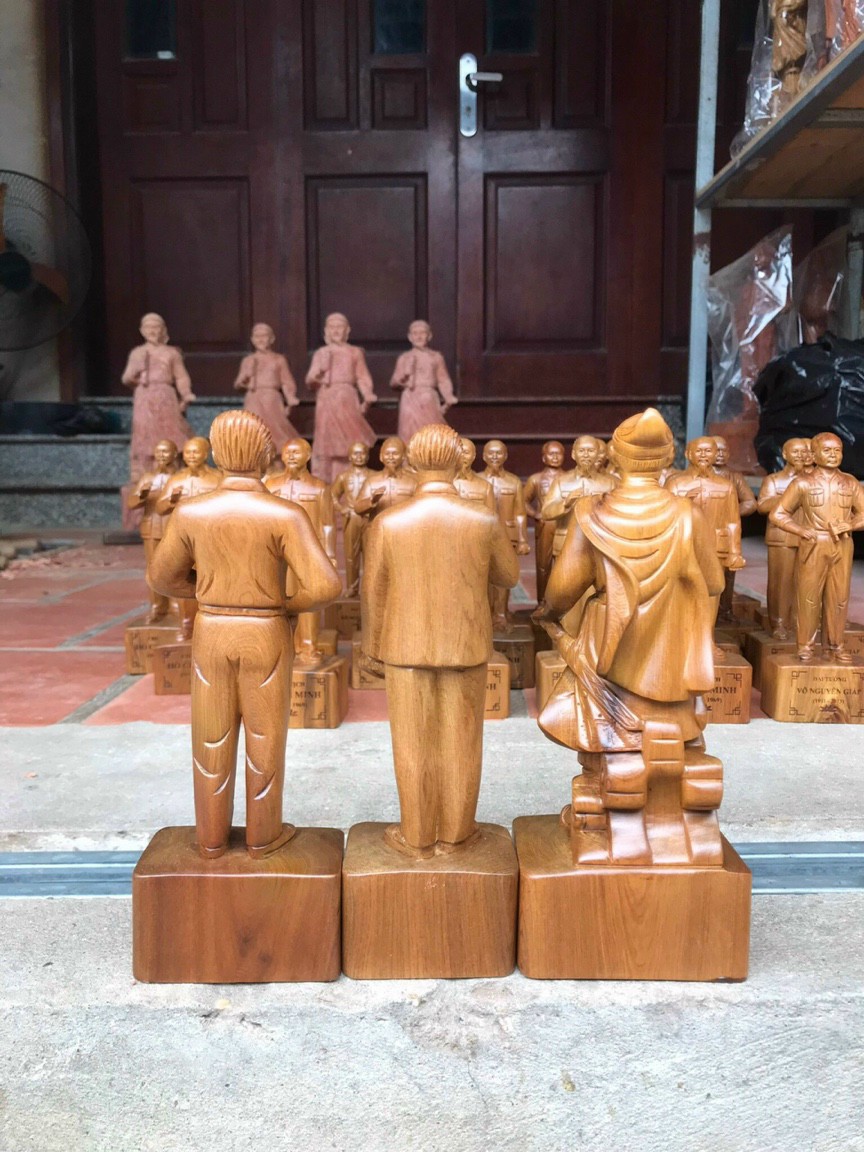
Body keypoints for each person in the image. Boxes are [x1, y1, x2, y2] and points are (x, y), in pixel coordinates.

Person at [534, 409, 725, 867]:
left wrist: (548, 615)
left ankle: (616, 817)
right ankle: (667, 824)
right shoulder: (687, 516)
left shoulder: (591, 514)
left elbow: (562, 591)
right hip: (671, 661)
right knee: (677, 741)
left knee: (607, 741)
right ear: (668, 459)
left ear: (614, 457)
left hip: (610, 660)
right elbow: (714, 583)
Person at [148, 410, 342, 859]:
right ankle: (263, 836)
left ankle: (211, 839)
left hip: (212, 628)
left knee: (210, 737)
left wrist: (205, 593)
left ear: (216, 453)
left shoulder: (192, 512)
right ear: (266, 455)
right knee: (264, 735)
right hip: (265, 630)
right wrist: (285, 605)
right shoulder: (284, 513)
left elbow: (161, 577)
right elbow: (325, 585)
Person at [361, 424, 519, 858]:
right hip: (465, 643)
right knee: (462, 741)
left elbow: (373, 591)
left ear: (413, 462)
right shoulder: (482, 519)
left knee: (412, 744)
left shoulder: (388, 522)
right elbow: (508, 575)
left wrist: (372, 647)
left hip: (404, 645)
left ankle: (416, 835)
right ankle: (456, 835)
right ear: (459, 460)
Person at [770, 432, 864, 662]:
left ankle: (835, 646)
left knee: (839, 598)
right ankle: (805, 646)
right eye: (827, 450)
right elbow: (778, 513)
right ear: (813, 455)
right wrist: (801, 530)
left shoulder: (850, 482)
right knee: (808, 597)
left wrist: (850, 524)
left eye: (837, 450)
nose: (833, 455)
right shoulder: (803, 483)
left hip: (842, 544)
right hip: (814, 544)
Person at [666, 436, 745, 649]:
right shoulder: (675, 484)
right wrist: (683, 502)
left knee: (712, 593)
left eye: (708, 451)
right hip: (684, 546)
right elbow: (666, 516)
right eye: (698, 451)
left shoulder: (726, 486)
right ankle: (681, 641)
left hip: (715, 547)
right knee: (681, 591)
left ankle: (707, 641)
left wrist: (735, 552)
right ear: (688, 454)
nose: (703, 455)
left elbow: (732, 521)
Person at [265, 437, 338, 664]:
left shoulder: (319, 488)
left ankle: (308, 645)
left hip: (309, 553)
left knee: (309, 600)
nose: (292, 456)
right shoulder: (271, 486)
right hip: (277, 553)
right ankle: (283, 645)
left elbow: (327, 524)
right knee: (279, 598)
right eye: (288, 452)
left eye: (297, 452)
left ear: (308, 456)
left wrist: (330, 554)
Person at [156, 437, 222, 641]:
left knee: (213, 580)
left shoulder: (218, 478)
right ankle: (187, 624)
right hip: (183, 539)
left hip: (211, 537)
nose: (191, 456)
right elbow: (160, 508)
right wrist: (171, 500)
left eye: (195, 452)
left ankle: (214, 624)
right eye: (187, 452)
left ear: (206, 454)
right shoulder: (176, 479)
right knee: (184, 580)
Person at [122, 313, 196, 482]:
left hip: (165, 395)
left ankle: (171, 469)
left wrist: (185, 393)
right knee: (144, 433)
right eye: (148, 327)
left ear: (163, 330)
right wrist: (136, 372)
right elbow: (126, 378)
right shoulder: (137, 353)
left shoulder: (171, 353)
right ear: (142, 331)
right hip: (144, 396)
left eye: (156, 327)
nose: (152, 331)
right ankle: (144, 471)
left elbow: (181, 376)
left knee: (170, 432)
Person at [306, 312, 377, 481]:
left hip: (347, 397)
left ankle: (349, 480)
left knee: (350, 440)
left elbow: (362, 377)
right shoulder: (321, 353)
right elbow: (310, 381)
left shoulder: (354, 352)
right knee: (325, 443)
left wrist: (367, 394)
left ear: (347, 330)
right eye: (332, 327)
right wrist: (319, 372)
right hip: (326, 398)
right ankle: (324, 480)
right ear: (326, 331)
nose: (336, 330)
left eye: (339, 327)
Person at [757, 437, 811, 639]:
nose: (801, 456)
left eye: (804, 452)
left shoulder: (812, 480)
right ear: (785, 454)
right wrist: (790, 495)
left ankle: (798, 622)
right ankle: (778, 623)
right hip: (781, 537)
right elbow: (762, 506)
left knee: (803, 582)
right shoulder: (773, 480)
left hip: (807, 536)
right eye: (796, 452)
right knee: (780, 582)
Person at [126, 439, 179, 623]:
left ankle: (176, 604)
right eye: (158, 452)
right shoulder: (148, 478)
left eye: (166, 452)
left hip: (174, 527)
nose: (161, 456)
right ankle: (158, 605)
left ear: (174, 454)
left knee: (176, 567)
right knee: (154, 569)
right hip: (152, 526)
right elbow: (131, 503)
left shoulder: (180, 477)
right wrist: (141, 495)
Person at [541, 435, 616, 563]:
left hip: (600, 544)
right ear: (573, 455)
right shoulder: (561, 482)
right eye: (581, 451)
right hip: (566, 544)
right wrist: (565, 504)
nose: (586, 455)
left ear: (598, 454)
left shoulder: (610, 483)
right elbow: (546, 512)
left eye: (591, 451)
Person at [480, 440, 530, 631]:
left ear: (506, 456)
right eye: (491, 453)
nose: (495, 457)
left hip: (508, 535)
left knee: (505, 575)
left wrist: (522, 538)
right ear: (483, 456)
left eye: (499, 453)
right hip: (483, 535)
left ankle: (501, 614)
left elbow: (520, 512)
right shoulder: (476, 481)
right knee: (483, 575)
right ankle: (485, 613)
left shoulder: (513, 481)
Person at [233, 323, 299, 450]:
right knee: (253, 429)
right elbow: (238, 384)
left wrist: (290, 398)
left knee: (276, 428)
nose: (261, 340)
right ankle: (255, 456)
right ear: (252, 340)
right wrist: (244, 379)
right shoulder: (248, 360)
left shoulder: (278, 359)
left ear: (271, 339)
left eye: (264, 336)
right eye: (257, 337)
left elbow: (286, 382)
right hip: (253, 397)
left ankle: (278, 456)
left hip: (271, 398)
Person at [390, 319, 457, 443]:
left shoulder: (436, 357)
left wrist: (448, 396)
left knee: (432, 433)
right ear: (410, 337)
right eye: (415, 333)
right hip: (410, 398)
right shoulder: (404, 358)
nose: (419, 337)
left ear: (429, 336)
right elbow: (394, 382)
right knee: (409, 434)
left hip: (429, 398)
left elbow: (443, 379)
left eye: (422, 333)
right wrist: (404, 375)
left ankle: (431, 454)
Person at [713, 434, 757, 620]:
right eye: (716, 450)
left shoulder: (735, 477)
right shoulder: (694, 478)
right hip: (703, 531)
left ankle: (725, 610)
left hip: (728, 531)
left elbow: (750, 502)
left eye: (724, 450)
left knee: (729, 572)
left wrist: (730, 512)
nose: (720, 454)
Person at [331, 441, 373, 597]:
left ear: (367, 456)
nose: (359, 456)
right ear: (349, 456)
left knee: (371, 555)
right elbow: (332, 495)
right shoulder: (343, 477)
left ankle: (369, 589)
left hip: (369, 518)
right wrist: (341, 508)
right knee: (351, 556)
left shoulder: (374, 476)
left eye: (362, 453)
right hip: (352, 518)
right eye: (356, 453)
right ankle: (352, 588)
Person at [524, 441, 565, 603]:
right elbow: (523, 502)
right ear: (543, 457)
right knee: (543, 566)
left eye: (558, 453)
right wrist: (535, 514)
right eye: (551, 454)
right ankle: (542, 602)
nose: (555, 457)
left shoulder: (569, 478)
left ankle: (562, 604)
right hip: (545, 525)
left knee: (564, 564)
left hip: (565, 525)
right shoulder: (536, 479)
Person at [354, 437, 416, 522]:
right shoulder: (371, 481)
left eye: (395, 453)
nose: (391, 457)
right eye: (387, 453)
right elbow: (357, 508)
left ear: (403, 456)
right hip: (378, 527)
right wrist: (371, 501)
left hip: (406, 527)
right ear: (381, 457)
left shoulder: (413, 480)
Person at [453, 437, 495, 510]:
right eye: (458, 452)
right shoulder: (443, 483)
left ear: (473, 456)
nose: (462, 456)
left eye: (466, 452)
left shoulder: (485, 487)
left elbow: (491, 515)